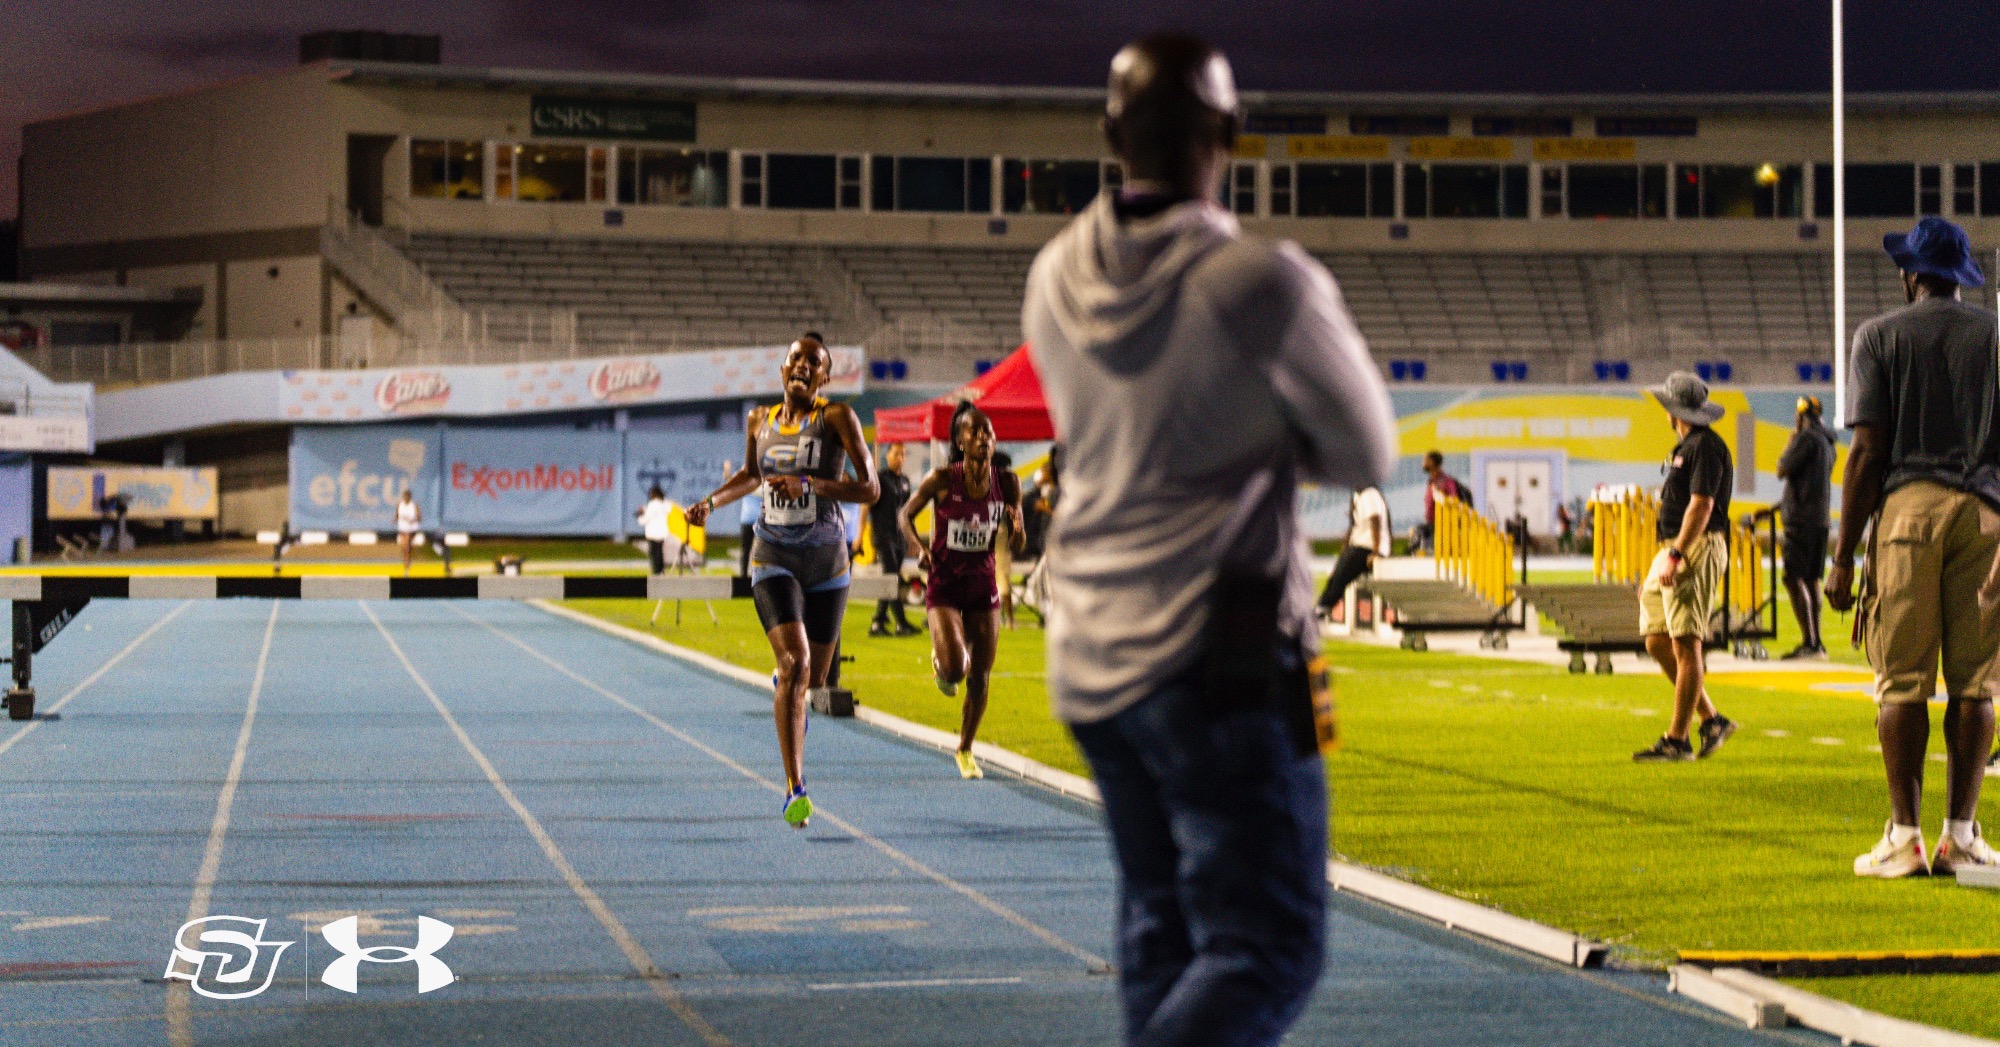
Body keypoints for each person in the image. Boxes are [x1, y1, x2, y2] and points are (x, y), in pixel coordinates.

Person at [1023, 33, 1395, 1047]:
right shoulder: (1257, 280)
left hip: (1090, 656)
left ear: (1108, 134)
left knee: (1163, 929)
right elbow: (1366, 446)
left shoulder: (1052, 274)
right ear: (1229, 132)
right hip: (1213, 656)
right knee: (1268, 944)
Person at [1826, 216, 2000, 878]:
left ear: (1911, 274)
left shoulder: (1879, 335)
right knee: (1977, 682)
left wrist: (1842, 557)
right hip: (1987, 512)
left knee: (1901, 681)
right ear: (1961, 279)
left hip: (1907, 510)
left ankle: (1905, 835)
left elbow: (1867, 451)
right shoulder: (1996, 334)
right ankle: (1963, 834)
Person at [686, 334, 879, 830]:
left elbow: (870, 489)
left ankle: (788, 687)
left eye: (814, 362)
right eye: (795, 358)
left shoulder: (837, 419)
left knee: (812, 680)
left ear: (824, 377)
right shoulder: (759, 420)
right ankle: (795, 786)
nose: (802, 366)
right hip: (773, 554)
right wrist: (711, 502)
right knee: (794, 663)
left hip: (828, 563)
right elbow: (751, 475)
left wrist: (810, 484)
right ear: (782, 369)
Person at [900, 403, 1023, 779]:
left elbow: (1016, 543)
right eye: (975, 432)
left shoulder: (1008, 483)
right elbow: (905, 515)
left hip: (982, 587)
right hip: (945, 585)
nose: (984, 438)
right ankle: (942, 663)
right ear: (960, 440)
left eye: (989, 432)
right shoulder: (941, 479)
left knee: (981, 676)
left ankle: (966, 749)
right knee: (956, 671)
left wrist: (1017, 531)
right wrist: (919, 549)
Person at [1631, 373, 1739, 763]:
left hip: (1695, 546)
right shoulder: (1690, 445)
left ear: (1673, 409)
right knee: (1657, 639)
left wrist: (1677, 554)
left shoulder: (1705, 447)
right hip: (1677, 546)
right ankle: (1711, 718)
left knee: (1685, 643)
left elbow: (1702, 506)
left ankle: (1677, 739)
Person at [1756, 396, 1835, 659]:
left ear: (1801, 417)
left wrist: (1791, 443)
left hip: (1800, 522)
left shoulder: (1805, 438)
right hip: (1820, 519)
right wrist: (1775, 508)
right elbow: (1807, 486)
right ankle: (1816, 643)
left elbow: (1782, 469)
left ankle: (1810, 643)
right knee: (1812, 579)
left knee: (1793, 577)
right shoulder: (1828, 444)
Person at [867, 442, 921, 637]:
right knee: (892, 577)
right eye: (896, 453)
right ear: (887, 455)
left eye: (903, 454)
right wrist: (859, 534)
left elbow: (907, 513)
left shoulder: (905, 481)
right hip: (883, 535)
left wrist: (912, 540)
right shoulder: (880, 478)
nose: (900, 457)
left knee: (891, 578)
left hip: (899, 537)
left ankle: (878, 621)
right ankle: (901, 623)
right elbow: (867, 505)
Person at [1315, 485, 1389, 619]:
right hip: (1359, 545)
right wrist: (1345, 548)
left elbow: (1375, 520)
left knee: (1340, 578)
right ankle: (1319, 608)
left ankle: (1319, 611)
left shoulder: (1370, 494)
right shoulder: (1358, 495)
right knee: (1334, 578)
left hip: (1368, 547)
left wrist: (1376, 552)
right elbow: (1354, 524)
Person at [1415, 451, 1467, 554]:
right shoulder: (1432, 482)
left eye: (1425, 460)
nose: (1423, 463)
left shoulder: (1446, 482)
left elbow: (1454, 501)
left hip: (1444, 529)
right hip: (1432, 527)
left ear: (1432, 462)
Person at [636, 484, 671, 575]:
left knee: (654, 553)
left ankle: (657, 571)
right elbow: (669, 509)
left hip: (653, 533)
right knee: (660, 552)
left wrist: (640, 515)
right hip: (662, 532)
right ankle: (661, 570)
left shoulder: (652, 505)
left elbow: (645, 520)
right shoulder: (665, 504)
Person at [395, 490, 423, 577]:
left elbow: (419, 518)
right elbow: (397, 515)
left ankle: (406, 568)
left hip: (411, 528)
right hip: (402, 528)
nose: (406, 498)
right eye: (405, 496)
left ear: (410, 497)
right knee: (405, 548)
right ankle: (406, 565)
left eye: (408, 496)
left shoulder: (414, 506)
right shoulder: (400, 505)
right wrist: (395, 519)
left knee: (407, 547)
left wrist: (413, 519)